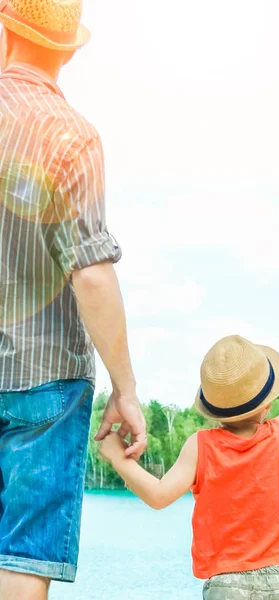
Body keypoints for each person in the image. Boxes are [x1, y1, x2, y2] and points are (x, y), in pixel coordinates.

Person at [0, 0, 147, 598]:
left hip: (45, 384)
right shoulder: (73, 137)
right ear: (69, 48)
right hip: (48, 383)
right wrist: (127, 389)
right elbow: (91, 276)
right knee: (23, 560)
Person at [100, 319, 279, 599]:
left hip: (227, 585)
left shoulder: (201, 446)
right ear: (267, 404)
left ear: (213, 409)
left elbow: (159, 495)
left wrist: (120, 459)